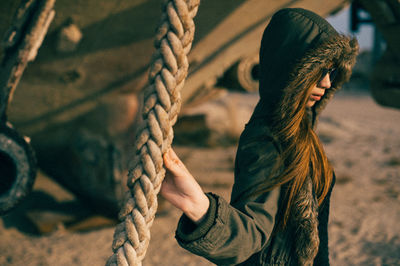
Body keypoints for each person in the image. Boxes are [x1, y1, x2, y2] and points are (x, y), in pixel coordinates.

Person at [160, 8, 359, 265]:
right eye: (319, 71)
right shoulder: (268, 137)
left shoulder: (301, 130)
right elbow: (251, 234)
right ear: (291, 69)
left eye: (331, 72)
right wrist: (199, 207)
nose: (327, 83)